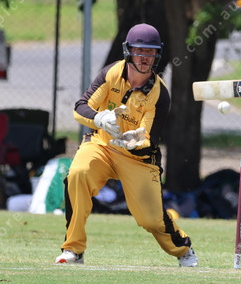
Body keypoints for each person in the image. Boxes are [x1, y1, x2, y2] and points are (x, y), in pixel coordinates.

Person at [55, 23, 198, 267]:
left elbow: (149, 139)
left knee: (150, 220)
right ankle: (73, 249)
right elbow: (80, 107)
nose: (144, 57)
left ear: (157, 54)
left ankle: (184, 249)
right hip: (102, 144)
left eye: (151, 52)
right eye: (139, 51)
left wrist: (135, 141)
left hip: (138, 159)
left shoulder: (159, 94)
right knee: (77, 174)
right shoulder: (111, 73)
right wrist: (99, 118)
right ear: (128, 51)